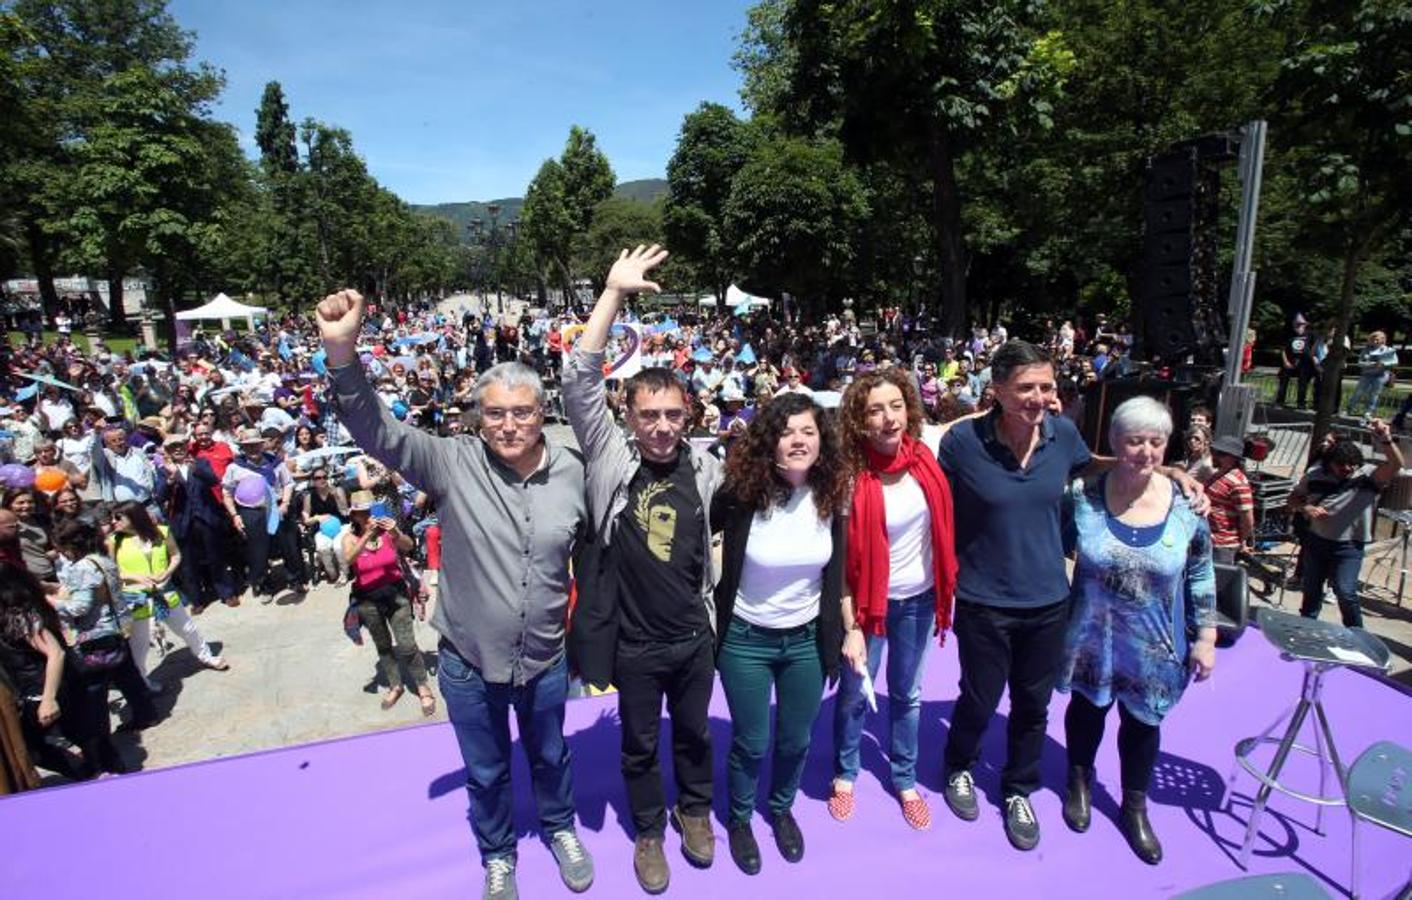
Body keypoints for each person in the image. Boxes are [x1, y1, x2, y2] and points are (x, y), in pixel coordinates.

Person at [317, 288, 594, 900]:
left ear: (541, 411)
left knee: (551, 758)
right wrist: (342, 353)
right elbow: (377, 430)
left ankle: (560, 827)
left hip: (546, 658)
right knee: (488, 770)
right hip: (469, 662)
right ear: (477, 415)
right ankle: (498, 854)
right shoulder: (450, 461)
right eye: (494, 413)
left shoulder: (575, 469)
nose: (508, 424)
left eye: (521, 411)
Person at [937, 341, 1205, 852]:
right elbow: (934, 501)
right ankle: (959, 765)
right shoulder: (963, 442)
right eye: (1025, 387)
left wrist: (1162, 469)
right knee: (979, 695)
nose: (1038, 397)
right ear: (996, 390)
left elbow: (1094, 464)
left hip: (1047, 602)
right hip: (982, 599)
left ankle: (1019, 788)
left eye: (1046, 386)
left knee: (1033, 704)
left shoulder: (1063, 436)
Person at [565, 245, 721, 894]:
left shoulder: (708, 465)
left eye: (672, 415)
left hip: (693, 639)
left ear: (689, 418)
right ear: (627, 416)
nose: (660, 426)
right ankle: (649, 834)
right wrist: (612, 294)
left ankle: (696, 812)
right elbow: (577, 379)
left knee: (693, 737)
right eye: (648, 414)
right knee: (637, 747)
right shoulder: (609, 457)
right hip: (632, 645)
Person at [1057, 396, 1217, 864]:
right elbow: (1049, 547)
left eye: (1156, 442)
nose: (1145, 451)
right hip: (1091, 638)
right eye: (1134, 441)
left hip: (1153, 645)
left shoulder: (1188, 507)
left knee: (1143, 724)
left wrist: (1205, 637)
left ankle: (1134, 805)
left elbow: (1202, 572)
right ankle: (1079, 782)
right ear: (1114, 443)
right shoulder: (1081, 499)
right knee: (1087, 712)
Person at [710, 392, 849, 874]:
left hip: (807, 641)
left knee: (795, 739)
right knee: (751, 740)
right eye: (787, 431)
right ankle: (741, 817)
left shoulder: (833, 492)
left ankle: (781, 807)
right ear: (769, 441)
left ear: (821, 440)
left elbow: (840, 574)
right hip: (745, 640)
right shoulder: (740, 493)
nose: (798, 441)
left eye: (808, 431)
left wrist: (849, 630)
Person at [830, 367, 958, 831]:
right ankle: (845, 773)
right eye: (875, 410)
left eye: (896, 406)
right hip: (868, 608)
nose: (888, 418)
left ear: (909, 408)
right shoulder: (847, 477)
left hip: (921, 603)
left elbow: (982, 418)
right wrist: (851, 627)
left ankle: (904, 778)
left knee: (909, 694)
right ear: (859, 421)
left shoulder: (927, 457)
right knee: (853, 696)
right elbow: (841, 564)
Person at [50, 517, 158, 767]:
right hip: (117, 628)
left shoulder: (82, 568)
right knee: (127, 675)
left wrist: (53, 602)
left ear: (68, 547)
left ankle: (103, 747)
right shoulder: (104, 560)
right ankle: (146, 714)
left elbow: (79, 607)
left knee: (94, 695)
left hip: (94, 637)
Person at [1289, 420, 1403, 627]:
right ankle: (1305, 627)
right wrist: (1305, 508)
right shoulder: (1314, 476)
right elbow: (1293, 499)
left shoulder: (1368, 476)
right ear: (1330, 462)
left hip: (1349, 547)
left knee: (1345, 591)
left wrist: (1386, 439)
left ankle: (1356, 632)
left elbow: (1396, 464)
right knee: (1312, 589)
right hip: (1317, 542)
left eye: (1352, 464)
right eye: (1341, 464)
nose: (1347, 468)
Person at [108, 501, 227, 689]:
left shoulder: (161, 532)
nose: (113, 521)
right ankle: (142, 681)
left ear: (133, 516)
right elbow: (110, 570)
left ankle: (206, 656)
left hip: (164, 592)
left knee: (187, 628)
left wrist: (167, 572)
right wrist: (134, 577)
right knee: (140, 644)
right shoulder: (114, 541)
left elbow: (176, 555)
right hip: (136, 598)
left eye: (118, 517)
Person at [0, 561, 99, 781]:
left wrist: (48, 699)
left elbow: (55, 653)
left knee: (30, 746)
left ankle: (90, 775)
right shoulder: (20, 612)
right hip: (43, 688)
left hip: (43, 690)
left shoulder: (20, 617)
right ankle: (90, 772)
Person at [342, 490, 433, 714]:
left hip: (396, 595)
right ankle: (395, 684)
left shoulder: (387, 534)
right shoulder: (350, 538)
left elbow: (408, 546)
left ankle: (422, 686)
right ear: (354, 517)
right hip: (368, 600)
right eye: (362, 514)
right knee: (383, 645)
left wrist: (394, 531)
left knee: (407, 644)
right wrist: (366, 535)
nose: (368, 517)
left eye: (370, 512)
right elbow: (348, 559)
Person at [223, 426, 309, 602]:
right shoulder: (235, 468)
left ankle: (296, 579)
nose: (252, 449)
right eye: (248, 446)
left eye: (256, 445)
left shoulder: (276, 463)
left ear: (262, 445)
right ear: (242, 448)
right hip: (251, 511)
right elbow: (227, 493)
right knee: (257, 551)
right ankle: (264, 586)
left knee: (289, 545)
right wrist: (235, 515)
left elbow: (288, 484)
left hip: (277, 507)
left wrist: (285, 503)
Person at [1205, 436, 1255, 565]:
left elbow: (1248, 520)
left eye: (1221, 454)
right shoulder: (1218, 474)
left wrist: (1241, 541)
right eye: (1213, 451)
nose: (1214, 456)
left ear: (1234, 458)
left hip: (1221, 546)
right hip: (1207, 539)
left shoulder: (1238, 483)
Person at [1345, 330, 1397, 420]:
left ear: (1382, 339)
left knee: (1374, 395)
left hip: (1380, 376)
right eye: (1373, 339)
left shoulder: (1388, 350)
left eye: (1377, 339)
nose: (1375, 341)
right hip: (1366, 375)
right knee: (1358, 392)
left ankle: (1368, 412)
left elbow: (1395, 362)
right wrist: (1372, 364)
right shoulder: (1366, 350)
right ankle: (1349, 409)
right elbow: (1360, 363)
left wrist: (1384, 364)